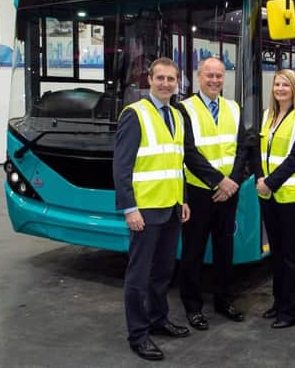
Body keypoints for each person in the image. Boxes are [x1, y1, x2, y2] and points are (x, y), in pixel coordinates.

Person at [113, 57, 222, 361]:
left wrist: (184, 199)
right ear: (149, 80)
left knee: (162, 272)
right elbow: (121, 167)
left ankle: (158, 319)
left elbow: (177, 163)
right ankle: (138, 334)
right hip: (145, 210)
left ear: (178, 82)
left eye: (170, 79)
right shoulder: (135, 114)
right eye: (159, 78)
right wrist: (129, 208)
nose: (165, 84)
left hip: (172, 208)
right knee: (138, 276)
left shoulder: (176, 114)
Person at [178, 56, 246, 331]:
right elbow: (188, 151)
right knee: (193, 252)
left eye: (219, 75)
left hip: (228, 194)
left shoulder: (233, 108)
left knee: (224, 250)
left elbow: (243, 148)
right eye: (209, 75)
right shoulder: (183, 109)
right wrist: (219, 181)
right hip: (198, 193)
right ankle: (193, 308)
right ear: (198, 76)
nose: (215, 80)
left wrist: (232, 183)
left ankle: (224, 300)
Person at [255, 70, 295, 329]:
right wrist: (260, 178)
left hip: (292, 196)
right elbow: (258, 151)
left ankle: (291, 312)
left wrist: (269, 182)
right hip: (268, 195)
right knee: (277, 253)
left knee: (292, 255)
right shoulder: (268, 115)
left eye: (285, 85)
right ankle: (279, 303)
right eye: (277, 84)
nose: (280, 89)